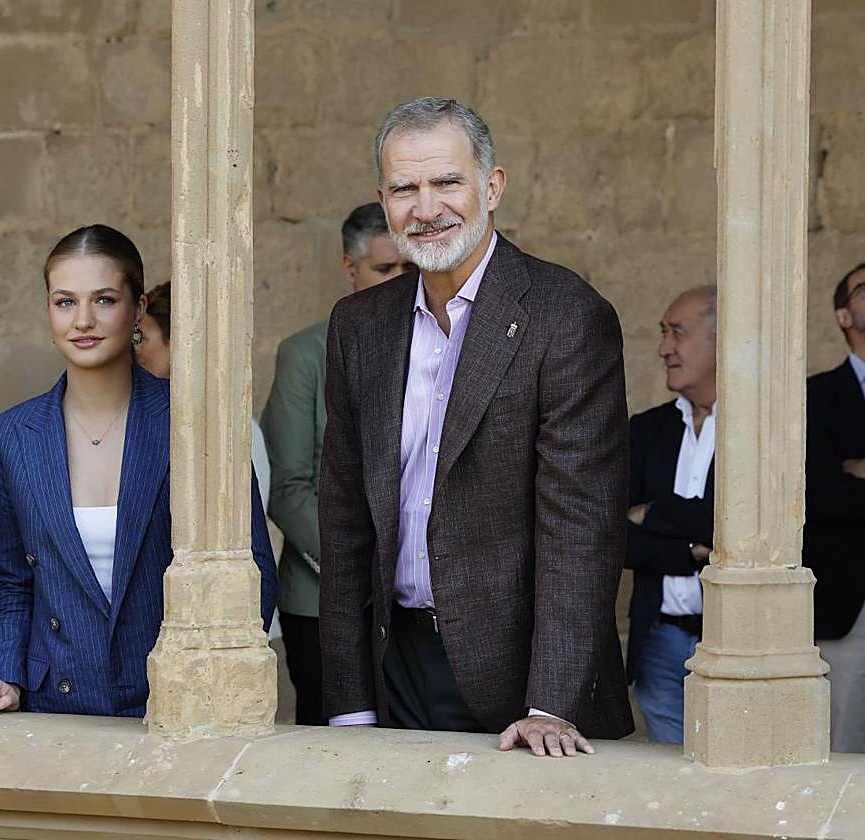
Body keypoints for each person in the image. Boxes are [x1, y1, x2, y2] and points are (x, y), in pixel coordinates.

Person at [319, 97, 633, 757]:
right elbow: (345, 522)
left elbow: (581, 524)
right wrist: (349, 705)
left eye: (446, 182)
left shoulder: (566, 316)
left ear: (492, 187)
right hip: (393, 667)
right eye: (404, 188)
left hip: (521, 684)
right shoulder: (358, 327)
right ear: (383, 198)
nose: (426, 208)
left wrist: (551, 706)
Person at [0, 225, 277, 717]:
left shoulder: (193, 422)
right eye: (65, 302)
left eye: (104, 300)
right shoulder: (12, 434)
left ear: (138, 308)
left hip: (174, 703)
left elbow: (250, 566)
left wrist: (209, 685)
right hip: (55, 704)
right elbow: (12, 581)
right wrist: (5, 671)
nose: (83, 320)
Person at [259, 202, 414, 726]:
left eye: (409, 268)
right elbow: (288, 485)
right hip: (323, 597)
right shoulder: (307, 353)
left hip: (416, 602)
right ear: (350, 270)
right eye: (384, 269)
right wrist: (367, 564)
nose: (399, 280)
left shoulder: (438, 344)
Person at [624, 287, 717, 744]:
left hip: (738, 646)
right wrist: (694, 552)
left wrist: (655, 512)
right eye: (663, 333)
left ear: (724, 339)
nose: (664, 348)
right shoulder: (647, 429)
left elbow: (748, 526)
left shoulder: (764, 429)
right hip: (659, 644)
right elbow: (614, 535)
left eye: (677, 333)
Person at [135, 281, 272, 510]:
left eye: (143, 339)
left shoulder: (237, 428)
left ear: (179, 343)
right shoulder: (137, 417)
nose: (136, 349)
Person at [805, 262, 865, 753]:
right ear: (843, 316)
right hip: (850, 597)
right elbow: (821, 495)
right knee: (843, 732)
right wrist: (844, 478)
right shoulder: (817, 396)